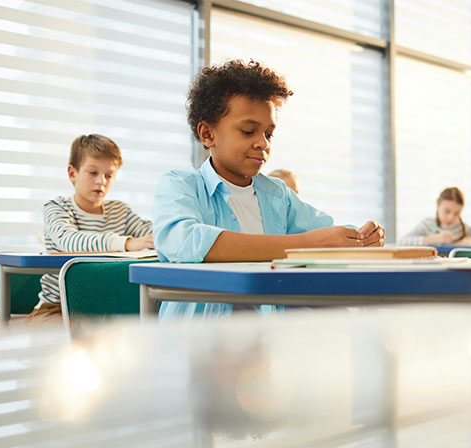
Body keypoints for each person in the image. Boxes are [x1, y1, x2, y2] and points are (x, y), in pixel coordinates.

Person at [153, 59, 385, 317]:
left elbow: (325, 233)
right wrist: (302, 245)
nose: (262, 143)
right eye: (248, 131)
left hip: (261, 340)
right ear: (208, 134)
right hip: (194, 344)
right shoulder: (179, 185)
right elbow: (186, 241)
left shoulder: (277, 195)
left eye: (269, 134)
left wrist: (362, 237)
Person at [29, 134, 154, 322]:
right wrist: (126, 243)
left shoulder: (119, 211)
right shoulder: (56, 208)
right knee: (72, 341)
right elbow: (69, 241)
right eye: (93, 173)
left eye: (109, 175)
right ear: (73, 173)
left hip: (103, 311)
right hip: (56, 308)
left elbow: (151, 233)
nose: (101, 181)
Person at [398, 187, 471, 246]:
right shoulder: (428, 224)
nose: (451, 217)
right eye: (447, 211)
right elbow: (402, 242)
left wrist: (470, 241)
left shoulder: (462, 228)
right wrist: (435, 238)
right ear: (438, 206)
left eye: (456, 213)